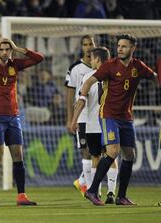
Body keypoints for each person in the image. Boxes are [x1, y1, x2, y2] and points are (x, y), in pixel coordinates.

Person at [78, 34, 157, 206]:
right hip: (108, 115)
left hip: (126, 117)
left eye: (124, 46)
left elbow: (154, 76)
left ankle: (121, 196)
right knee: (113, 151)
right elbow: (90, 81)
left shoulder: (138, 66)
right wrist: (82, 97)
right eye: (119, 46)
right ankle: (92, 191)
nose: (120, 49)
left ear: (132, 48)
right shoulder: (109, 66)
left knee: (129, 155)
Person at [0, 37, 43, 206]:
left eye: (8, 49)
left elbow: (39, 58)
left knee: (18, 156)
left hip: (14, 117)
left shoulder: (15, 65)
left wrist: (17, 48)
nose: (5, 52)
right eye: (2, 49)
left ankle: (21, 196)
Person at [70, 47, 118, 204]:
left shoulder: (89, 77)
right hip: (110, 122)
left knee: (95, 157)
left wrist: (74, 120)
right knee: (111, 156)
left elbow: (81, 101)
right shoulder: (115, 76)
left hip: (92, 124)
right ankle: (111, 191)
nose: (90, 61)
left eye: (92, 58)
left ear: (97, 60)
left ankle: (95, 192)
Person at [65, 35, 95, 197]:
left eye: (91, 43)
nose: (88, 47)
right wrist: (70, 118)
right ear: (81, 47)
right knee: (86, 151)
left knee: (100, 152)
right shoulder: (75, 68)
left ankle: (83, 181)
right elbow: (70, 95)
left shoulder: (103, 66)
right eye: (85, 44)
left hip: (98, 116)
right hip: (82, 116)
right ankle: (89, 188)